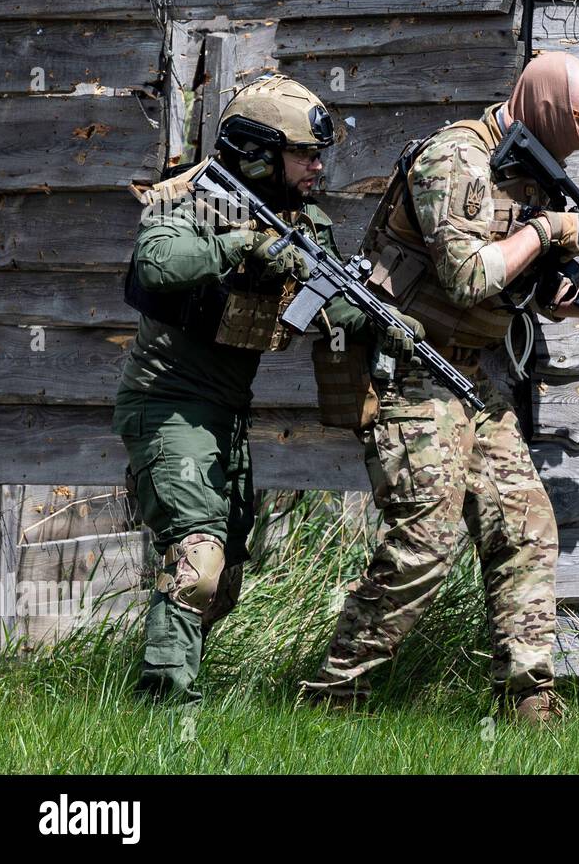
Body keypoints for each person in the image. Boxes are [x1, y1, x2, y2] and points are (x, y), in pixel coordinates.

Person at [300, 52, 579, 721]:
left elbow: (536, 289)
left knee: (526, 529)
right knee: (426, 540)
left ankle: (529, 703)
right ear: (550, 111)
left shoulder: (536, 176)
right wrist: (546, 229)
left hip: (474, 377)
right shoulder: (455, 159)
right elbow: (469, 277)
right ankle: (333, 699)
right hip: (413, 372)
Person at [115, 73, 423, 701]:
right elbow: (154, 265)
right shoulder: (190, 202)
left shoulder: (304, 221)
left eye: (319, 154)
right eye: (304, 154)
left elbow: (329, 307)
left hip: (228, 414)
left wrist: (384, 324)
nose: (317, 166)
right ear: (257, 152)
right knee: (197, 565)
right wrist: (245, 247)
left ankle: (159, 685)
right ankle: (164, 715)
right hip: (167, 403)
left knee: (218, 583)